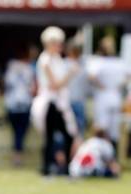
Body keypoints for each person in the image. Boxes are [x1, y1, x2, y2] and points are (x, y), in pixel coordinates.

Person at [31, 26, 78, 175]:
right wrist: (70, 74)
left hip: (60, 103)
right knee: (51, 137)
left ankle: (65, 167)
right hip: (49, 103)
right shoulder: (45, 60)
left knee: (68, 135)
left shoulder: (57, 59)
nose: (59, 46)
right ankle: (48, 168)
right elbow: (54, 85)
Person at [87, 36, 130, 151]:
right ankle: (109, 154)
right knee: (111, 127)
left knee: (104, 126)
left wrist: (103, 86)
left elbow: (91, 77)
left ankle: (106, 155)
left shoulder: (98, 61)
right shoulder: (118, 62)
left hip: (104, 96)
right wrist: (117, 86)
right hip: (114, 96)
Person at [3, 49, 36, 166]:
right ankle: (17, 157)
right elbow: (32, 88)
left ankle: (16, 157)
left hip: (11, 104)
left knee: (17, 133)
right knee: (20, 133)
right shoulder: (29, 69)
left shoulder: (11, 67)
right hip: (24, 104)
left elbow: (6, 83)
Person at [65, 39, 89, 137]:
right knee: (77, 130)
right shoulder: (83, 64)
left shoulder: (82, 64)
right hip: (71, 101)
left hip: (74, 101)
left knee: (76, 130)